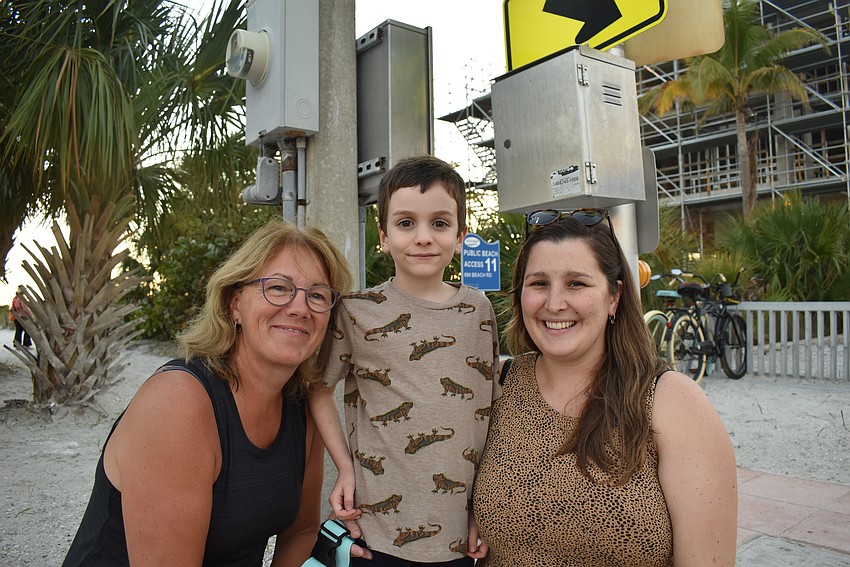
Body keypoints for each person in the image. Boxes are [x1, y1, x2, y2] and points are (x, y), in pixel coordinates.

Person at [62, 219, 371, 566]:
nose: (300, 308)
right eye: (279, 288)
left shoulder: (302, 405)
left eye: (317, 295)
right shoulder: (178, 403)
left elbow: (301, 532)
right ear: (234, 304)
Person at [472, 210, 738, 567]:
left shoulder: (671, 402)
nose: (554, 303)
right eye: (538, 284)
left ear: (614, 296)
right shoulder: (496, 386)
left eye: (576, 284)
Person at [310, 155, 499, 566]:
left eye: (440, 223)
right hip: (377, 533)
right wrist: (345, 469)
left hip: (458, 537)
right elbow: (320, 391)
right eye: (406, 223)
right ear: (383, 235)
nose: (424, 237)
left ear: (462, 234)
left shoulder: (479, 310)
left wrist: (482, 507)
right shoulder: (358, 311)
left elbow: (486, 412)